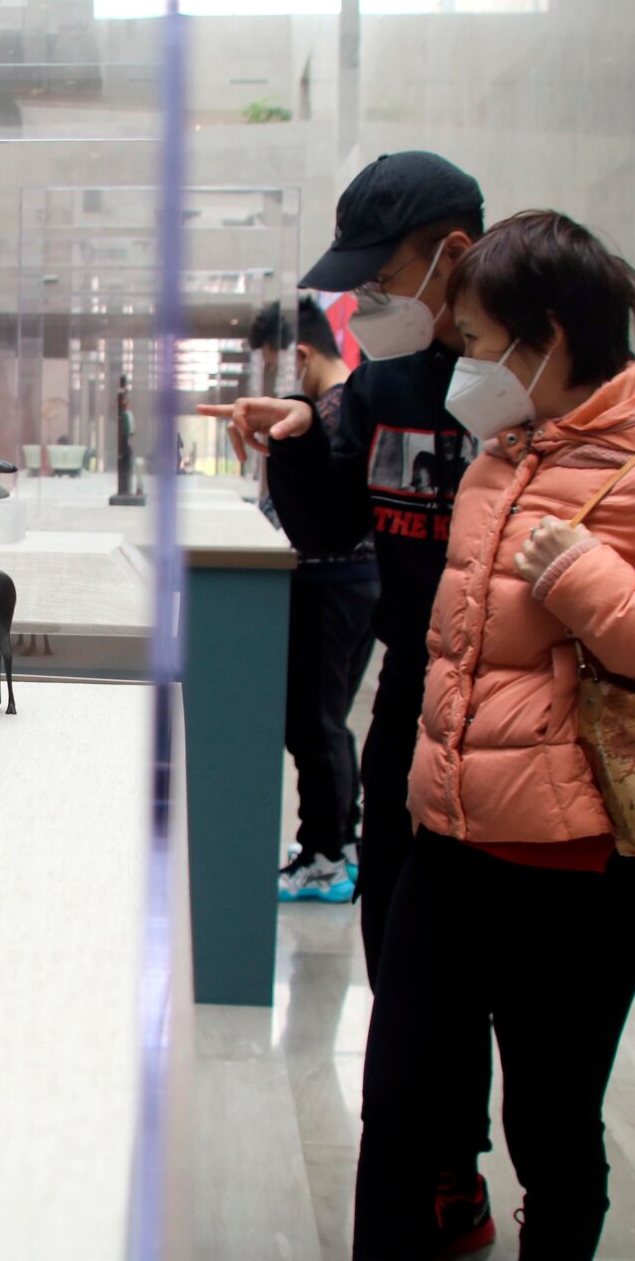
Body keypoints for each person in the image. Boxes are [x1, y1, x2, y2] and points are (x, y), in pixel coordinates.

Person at [352, 211, 635, 1259]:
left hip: (573, 873)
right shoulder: (502, 454)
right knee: (401, 1113)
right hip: (446, 850)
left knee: (550, 1129)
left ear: (547, 335)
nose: (465, 365)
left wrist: (590, 583)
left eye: (479, 341)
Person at [199, 152, 499, 1253]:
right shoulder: (379, 383)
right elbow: (333, 530)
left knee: (484, 970)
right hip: (413, 702)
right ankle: (436, 1171)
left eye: (384, 274)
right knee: (403, 958)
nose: (364, 299)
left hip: (523, 716)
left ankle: (459, 1163)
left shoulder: (533, 376)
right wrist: (291, 444)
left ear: (452, 253)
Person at [244, 297, 378, 903]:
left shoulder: (336, 408)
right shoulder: (335, 407)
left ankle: (326, 856)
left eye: (278, 365)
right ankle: (332, 843)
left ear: (299, 354)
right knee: (322, 724)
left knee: (315, 725)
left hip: (332, 586)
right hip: (340, 585)